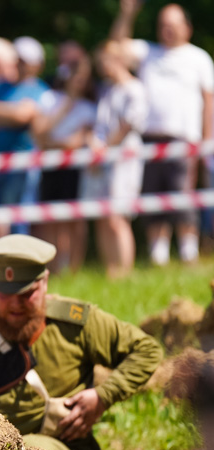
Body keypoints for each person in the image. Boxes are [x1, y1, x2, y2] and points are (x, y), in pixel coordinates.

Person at [0, 234, 163, 450]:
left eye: (26, 294)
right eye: (5, 294)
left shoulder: (77, 325)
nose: (15, 304)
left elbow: (146, 350)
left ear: (44, 282)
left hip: (59, 447)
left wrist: (102, 397)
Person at [111, 0, 214, 265]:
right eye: (163, 25)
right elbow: (114, 50)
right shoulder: (148, 52)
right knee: (152, 197)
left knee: (183, 196)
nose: (167, 30)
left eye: (173, 25)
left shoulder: (199, 58)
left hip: (184, 140)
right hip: (148, 140)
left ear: (187, 28)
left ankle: (188, 253)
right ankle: (159, 256)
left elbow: (209, 102)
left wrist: (207, 141)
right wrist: (127, 13)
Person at [0, 37, 49, 242]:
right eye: (18, 60)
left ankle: (19, 268)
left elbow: (23, 116)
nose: (20, 65)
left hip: (21, 162)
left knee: (17, 219)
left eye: (25, 61)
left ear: (36, 65)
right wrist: (12, 113)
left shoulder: (39, 89)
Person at [85, 40, 148, 278]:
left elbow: (128, 125)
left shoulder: (135, 89)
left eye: (106, 60)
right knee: (102, 215)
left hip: (124, 158)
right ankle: (111, 271)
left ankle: (124, 270)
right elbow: (100, 126)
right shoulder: (108, 91)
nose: (103, 66)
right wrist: (94, 146)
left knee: (117, 216)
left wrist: (103, 150)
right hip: (102, 158)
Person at [32, 56, 97, 273]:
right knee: (50, 218)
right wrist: (66, 105)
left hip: (75, 170)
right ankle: (54, 267)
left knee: (74, 219)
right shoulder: (50, 99)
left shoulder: (89, 107)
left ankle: (74, 268)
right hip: (50, 167)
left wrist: (53, 143)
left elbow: (77, 142)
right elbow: (39, 134)